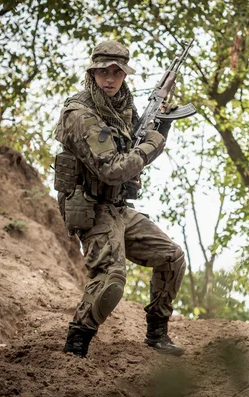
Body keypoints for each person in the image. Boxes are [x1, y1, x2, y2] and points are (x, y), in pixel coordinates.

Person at [53, 40, 186, 358]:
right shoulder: (80, 114)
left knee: (172, 257)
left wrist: (161, 127)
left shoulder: (123, 107)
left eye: (117, 72)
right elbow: (113, 170)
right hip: (91, 208)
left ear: (125, 74)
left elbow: (134, 158)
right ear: (92, 73)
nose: (110, 79)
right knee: (112, 278)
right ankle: (76, 344)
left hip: (116, 207)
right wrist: (152, 144)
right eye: (102, 72)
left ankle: (157, 334)